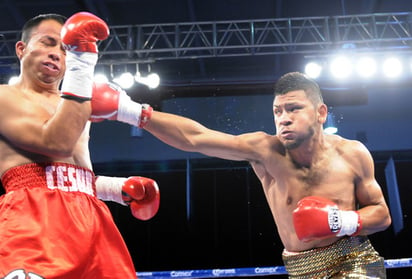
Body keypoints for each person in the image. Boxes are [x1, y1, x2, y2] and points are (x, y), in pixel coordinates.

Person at [92, 71, 392, 278]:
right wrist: (133, 112)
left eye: (293, 109)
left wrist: (342, 221)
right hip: (301, 269)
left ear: (321, 113)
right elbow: (196, 138)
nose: (283, 119)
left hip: (353, 259)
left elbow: (382, 215)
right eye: (277, 111)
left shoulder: (352, 154)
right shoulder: (264, 150)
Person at [0, 12, 159, 278]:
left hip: (92, 221)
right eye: (47, 43)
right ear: (21, 48)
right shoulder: (5, 97)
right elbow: (55, 144)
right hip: (33, 221)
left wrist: (117, 188)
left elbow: (69, 178)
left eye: (65, 48)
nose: (56, 53)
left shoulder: (74, 108)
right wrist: (82, 59)